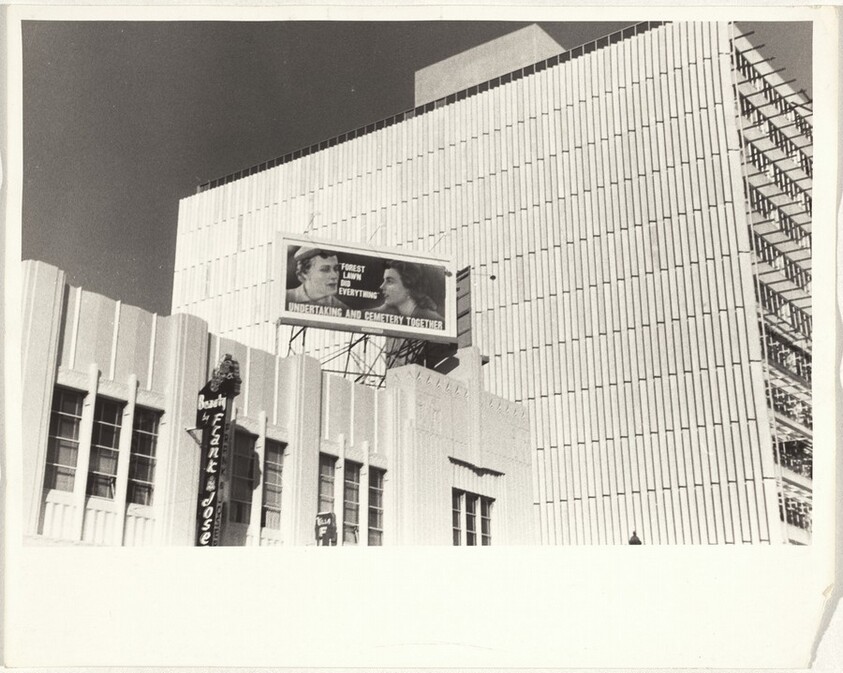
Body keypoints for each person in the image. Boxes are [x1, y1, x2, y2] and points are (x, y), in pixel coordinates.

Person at [374, 260, 444, 322]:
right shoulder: (387, 310)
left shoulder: (433, 319)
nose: (381, 287)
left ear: (408, 286)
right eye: (384, 281)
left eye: (389, 281)